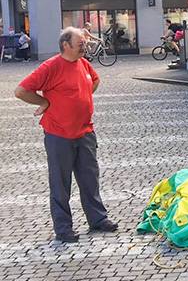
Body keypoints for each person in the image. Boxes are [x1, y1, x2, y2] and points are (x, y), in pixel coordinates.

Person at [14, 27, 118, 242]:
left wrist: (82, 96)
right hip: (59, 134)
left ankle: (97, 219)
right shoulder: (50, 66)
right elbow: (21, 91)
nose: (84, 47)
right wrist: (44, 102)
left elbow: (95, 80)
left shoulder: (84, 64)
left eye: (84, 44)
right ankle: (63, 229)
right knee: (60, 183)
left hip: (85, 132)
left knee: (90, 179)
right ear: (65, 45)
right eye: (80, 44)